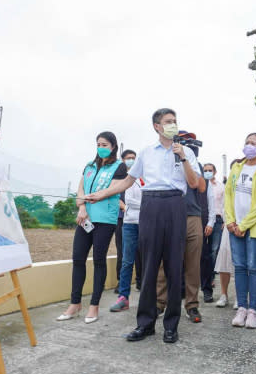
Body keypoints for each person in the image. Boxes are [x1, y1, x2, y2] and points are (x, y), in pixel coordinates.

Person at [85, 108, 202, 344]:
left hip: (175, 205)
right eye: (168, 122)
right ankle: (145, 324)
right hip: (151, 206)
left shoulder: (186, 151)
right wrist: (102, 194)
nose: (173, 125)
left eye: (175, 121)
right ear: (157, 127)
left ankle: (171, 325)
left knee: (173, 266)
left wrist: (183, 157)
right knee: (149, 266)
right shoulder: (146, 153)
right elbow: (128, 181)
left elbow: (194, 182)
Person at [58, 131, 128, 324]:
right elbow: (81, 189)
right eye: (98, 144)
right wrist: (81, 207)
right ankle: (75, 304)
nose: (101, 147)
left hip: (105, 219)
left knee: (99, 259)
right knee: (78, 258)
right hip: (85, 217)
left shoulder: (119, 167)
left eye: (105, 144)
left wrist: (98, 196)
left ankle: (94, 306)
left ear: (113, 146)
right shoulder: (89, 166)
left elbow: (113, 189)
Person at [155, 130, 208, 323]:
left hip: (192, 215)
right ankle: (160, 302)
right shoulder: (163, 160)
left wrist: (185, 159)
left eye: (191, 142)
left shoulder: (193, 162)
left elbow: (200, 187)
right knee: (164, 262)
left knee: (193, 264)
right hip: (168, 215)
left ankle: (192, 305)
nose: (189, 144)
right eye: (184, 140)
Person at [225, 133, 256, 329]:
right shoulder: (237, 167)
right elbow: (229, 195)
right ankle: (242, 308)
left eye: (253, 143)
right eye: (247, 142)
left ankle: (253, 311)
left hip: (254, 228)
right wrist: (230, 221)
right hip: (234, 226)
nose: (249, 146)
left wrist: (244, 225)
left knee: (254, 267)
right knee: (239, 267)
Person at [109, 150, 145, 313]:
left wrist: (134, 205)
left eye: (133, 159)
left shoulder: (145, 178)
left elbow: (147, 200)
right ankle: (123, 297)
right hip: (129, 223)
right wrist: (131, 206)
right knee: (127, 261)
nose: (131, 162)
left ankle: (149, 297)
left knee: (148, 260)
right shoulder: (123, 179)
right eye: (128, 159)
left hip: (146, 223)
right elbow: (120, 198)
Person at [214, 158, 243, 309]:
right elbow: (223, 206)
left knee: (240, 264)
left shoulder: (247, 185)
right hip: (228, 227)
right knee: (225, 262)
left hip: (244, 227)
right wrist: (229, 222)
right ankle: (223, 294)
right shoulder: (227, 187)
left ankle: (241, 296)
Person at [201, 163, 225, 303]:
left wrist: (224, 221)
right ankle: (206, 280)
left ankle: (211, 278)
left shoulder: (220, 186)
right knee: (203, 253)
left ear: (215, 171)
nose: (208, 172)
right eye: (205, 170)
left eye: (210, 170)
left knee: (214, 251)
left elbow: (224, 203)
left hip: (217, 219)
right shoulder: (201, 184)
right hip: (202, 219)